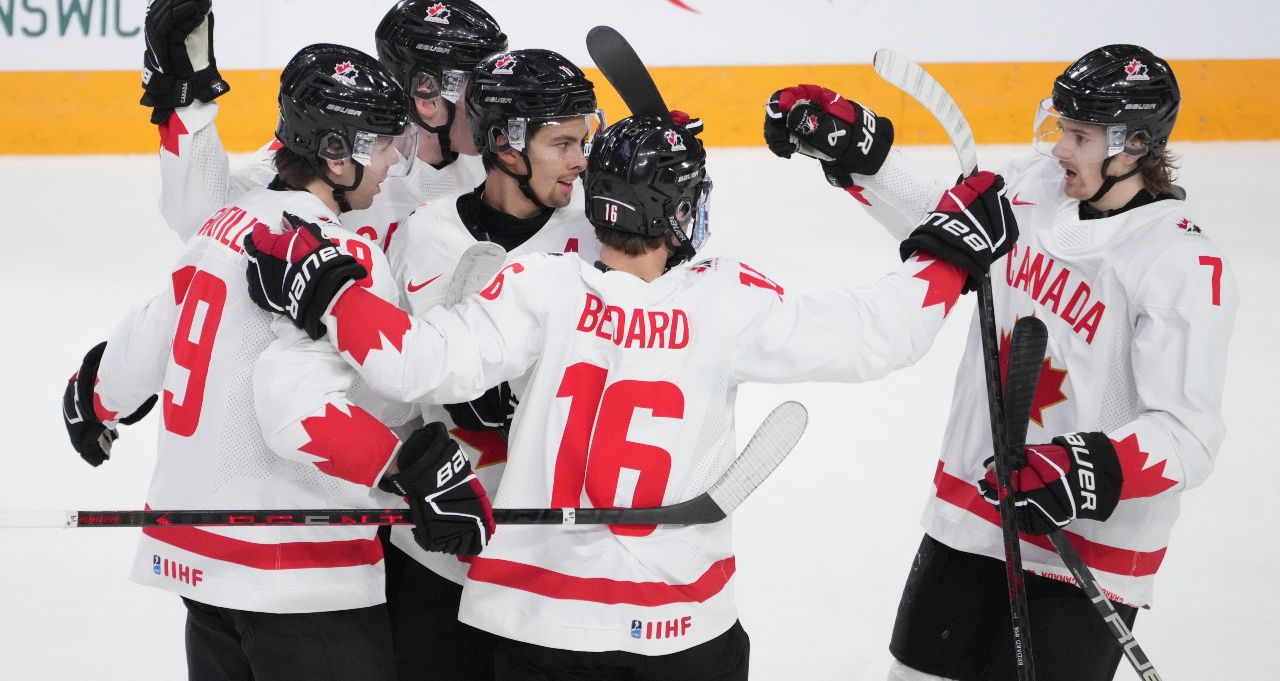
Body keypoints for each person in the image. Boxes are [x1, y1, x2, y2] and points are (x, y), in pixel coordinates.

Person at [239, 111, 1018, 680]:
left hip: (542, 624)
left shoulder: (542, 286)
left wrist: (332, 292)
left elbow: (413, 364)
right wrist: (948, 254)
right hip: (679, 625)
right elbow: (879, 332)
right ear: (682, 210)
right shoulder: (729, 301)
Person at [762, 44, 1239, 681]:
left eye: (1081, 135)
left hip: (1086, 555)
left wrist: (1082, 465)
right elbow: (958, 228)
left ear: (1137, 144)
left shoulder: (1182, 263)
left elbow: (1188, 435)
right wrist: (861, 160)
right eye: (1060, 126)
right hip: (972, 514)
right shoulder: (1040, 184)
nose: (1059, 148)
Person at [61, 43, 490, 681]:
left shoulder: (224, 223)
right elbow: (308, 412)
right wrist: (410, 468)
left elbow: (157, 327)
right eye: (381, 144)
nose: (395, 158)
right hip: (298, 567)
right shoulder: (343, 256)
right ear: (336, 153)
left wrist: (96, 397)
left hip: (197, 556)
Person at [378, 46, 606, 681]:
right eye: (562, 143)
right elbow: (386, 389)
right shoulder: (423, 232)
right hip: (438, 546)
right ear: (506, 144)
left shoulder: (597, 240)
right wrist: (398, 468)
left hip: (550, 554)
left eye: (582, 141)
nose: (580, 161)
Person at [140, 0, 505, 247]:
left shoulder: (504, 168)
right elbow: (203, 220)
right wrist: (187, 100)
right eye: (478, 87)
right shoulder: (334, 148)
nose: (493, 103)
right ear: (426, 94)